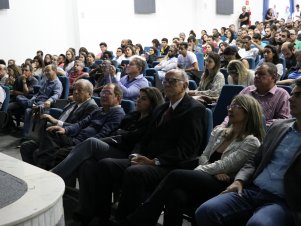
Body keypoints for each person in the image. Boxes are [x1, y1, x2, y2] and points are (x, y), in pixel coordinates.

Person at [75, 69, 207, 225]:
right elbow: (145, 138)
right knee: (105, 164)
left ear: (184, 85)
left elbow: (188, 150)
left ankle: (124, 219)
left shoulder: (195, 109)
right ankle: (101, 216)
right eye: (165, 81)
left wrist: (155, 161)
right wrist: (135, 155)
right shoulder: (162, 108)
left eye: (173, 81)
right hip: (147, 159)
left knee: (134, 172)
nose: (167, 84)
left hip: (170, 165)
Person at [125, 94, 265, 226]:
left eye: (237, 106)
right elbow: (204, 155)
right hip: (210, 175)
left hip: (223, 183)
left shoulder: (251, 142)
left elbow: (226, 165)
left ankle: (141, 218)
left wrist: (204, 171)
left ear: (249, 112)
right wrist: (211, 171)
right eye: (230, 105)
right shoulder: (220, 132)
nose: (230, 109)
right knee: (176, 195)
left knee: (176, 175)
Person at [195, 77, 301, 226]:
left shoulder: (254, 137)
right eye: (293, 94)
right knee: (206, 211)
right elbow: (254, 161)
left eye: (298, 95)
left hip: (282, 200)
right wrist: (239, 180)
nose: (290, 98)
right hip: (252, 189)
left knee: (257, 224)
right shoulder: (279, 127)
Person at [52, 87, 164, 183]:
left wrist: (123, 135)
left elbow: (130, 138)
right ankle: (84, 205)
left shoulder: (152, 121)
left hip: (127, 153)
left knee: (91, 142)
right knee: (87, 164)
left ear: (152, 103)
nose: (138, 100)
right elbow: (119, 134)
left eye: (143, 99)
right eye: (139, 97)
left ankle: (54, 176)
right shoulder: (132, 116)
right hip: (116, 147)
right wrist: (123, 135)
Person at [20, 83, 125, 170]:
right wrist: (65, 130)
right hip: (76, 139)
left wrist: (83, 145)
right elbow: (81, 124)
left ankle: (41, 170)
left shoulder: (117, 113)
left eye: (108, 93)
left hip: (84, 144)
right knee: (51, 132)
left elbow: (103, 135)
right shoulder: (99, 110)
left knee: (55, 152)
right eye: (102, 92)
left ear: (118, 97)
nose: (103, 95)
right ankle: (41, 169)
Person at [222, 62, 291, 128]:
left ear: (273, 78)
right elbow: (232, 111)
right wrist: (224, 125)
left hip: (264, 134)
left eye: (261, 74)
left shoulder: (282, 95)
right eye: (256, 74)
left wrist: (256, 126)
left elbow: (283, 121)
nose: (256, 76)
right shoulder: (247, 90)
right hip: (239, 130)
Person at [16, 64, 63, 137]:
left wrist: (49, 100)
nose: (46, 72)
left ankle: (25, 135)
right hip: (35, 100)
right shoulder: (46, 81)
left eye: (48, 71)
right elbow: (39, 93)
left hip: (44, 103)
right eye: (45, 71)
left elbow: (57, 95)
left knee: (28, 110)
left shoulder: (58, 83)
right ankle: (32, 105)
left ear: (55, 71)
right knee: (19, 97)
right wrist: (33, 98)